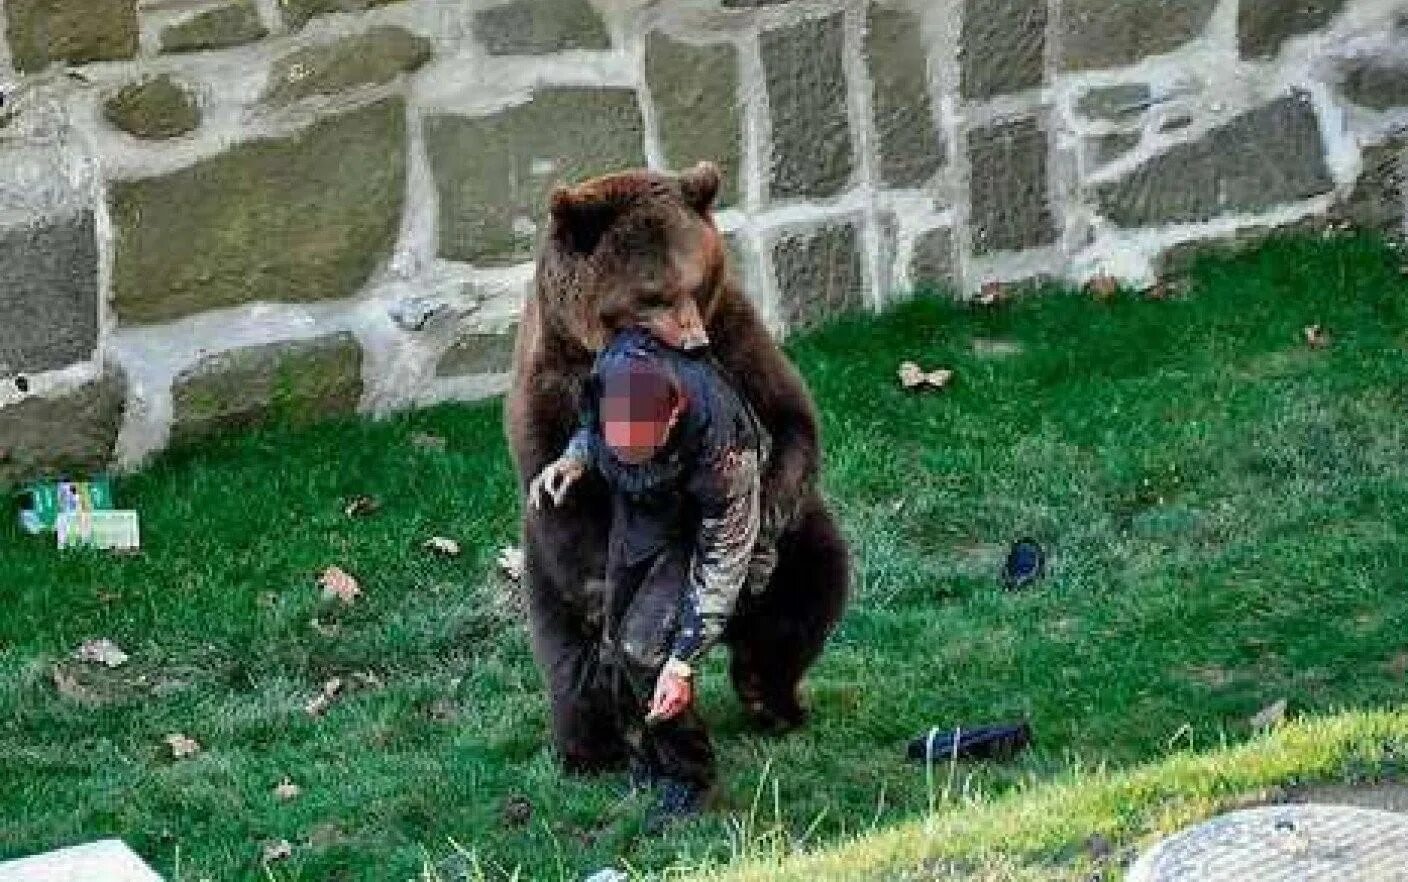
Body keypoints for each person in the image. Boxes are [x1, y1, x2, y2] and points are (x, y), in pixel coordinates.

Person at [529, 318, 775, 826]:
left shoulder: (726, 449)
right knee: (616, 638)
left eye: (642, 444)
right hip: (647, 509)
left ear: (677, 410)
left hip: (706, 526)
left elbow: (722, 564)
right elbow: (592, 429)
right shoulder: (616, 366)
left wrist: (683, 662)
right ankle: (650, 757)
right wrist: (575, 459)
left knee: (648, 651)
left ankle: (690, 776)